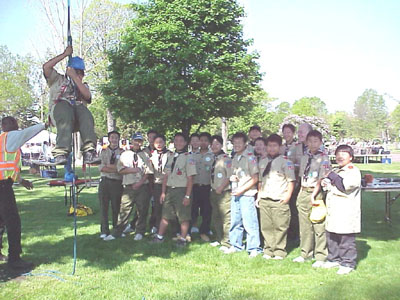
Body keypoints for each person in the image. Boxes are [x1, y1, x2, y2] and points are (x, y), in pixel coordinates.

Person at [0, 116, 46, 271]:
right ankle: (14, 259)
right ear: (11, 125)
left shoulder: (2, 140)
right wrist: (45, 124)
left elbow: (6, 167)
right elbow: (27, 133)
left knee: (1, 222)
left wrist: (21, 180)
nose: (18, 126)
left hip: (4, 184)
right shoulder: (11, 136)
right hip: (3, 188)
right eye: (15, 123)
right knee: (13, 222)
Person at [43, 45, 100, 165]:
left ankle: (89, 151)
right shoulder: (58, 80)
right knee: (64, 106)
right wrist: (64, 54)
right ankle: (61, 152)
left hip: (77, 119)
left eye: (81, 73)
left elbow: (87, 96)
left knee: (85, 112)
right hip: (60, 116)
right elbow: (46, 67)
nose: (80, 75)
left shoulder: (82, 85)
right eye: (77, 72)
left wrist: (75, 77)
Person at [104, 133, 153, 241]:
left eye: (140, 141)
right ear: (132, 141)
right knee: (124, 209)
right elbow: (120, 170)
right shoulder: (125, 154)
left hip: (142, 186)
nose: (137, 143)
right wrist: (132, 170)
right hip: (128, 186)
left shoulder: (146, 155)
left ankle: (140, 231)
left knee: (142, 209)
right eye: (136, 140)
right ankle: (117, 231)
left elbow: (148, 172)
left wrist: (140, 183)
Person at [321, 145, 361, 275]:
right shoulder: (337, 170)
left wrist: (331, 175)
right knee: (332, 235)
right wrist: (326, 182)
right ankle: (334, 259)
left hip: (346, 210)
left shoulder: (352, 171)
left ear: (351, 157)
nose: (340, 156)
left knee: (345, 238)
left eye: (344, 153)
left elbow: (344, 186)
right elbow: (330, 185)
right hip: (334, 209)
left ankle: (348, 262)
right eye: (338, 153)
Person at [151, 133, 197, 247]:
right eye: (176, 140)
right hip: (170, 190)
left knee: (183, 216)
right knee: (165, 215)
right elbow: (166, 175)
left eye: (181, 141)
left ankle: (182, 239)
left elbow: (190, 178)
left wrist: (187, 196)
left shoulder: (188, 157)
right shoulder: (171, 156)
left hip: (182, 190)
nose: (178, 143)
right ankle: (159, 237)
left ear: (186, 143)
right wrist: (163, 192)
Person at [293, 130, 330, 267]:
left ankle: (320, 255)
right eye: (310, 141)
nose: (313, 144)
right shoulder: (304, 157)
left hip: (316, 192)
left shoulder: (323, 158)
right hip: (303, 191)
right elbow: (302, 175)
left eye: (316, 141)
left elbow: (321, 178)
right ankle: (305, 253)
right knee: (304, 225)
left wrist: (314, 195)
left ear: (320, 142)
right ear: (306, 142)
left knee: (318, 224)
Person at [256, 134, 296, 260]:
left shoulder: (285, 162)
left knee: (280, 226)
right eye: (269, 146)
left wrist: (288, 196)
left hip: (279, 198)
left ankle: (279, 251)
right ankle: (268, 249)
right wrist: (259, 196)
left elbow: (291, 181)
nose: (271, 148)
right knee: (266, 226)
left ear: (280, 147)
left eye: (274, 146)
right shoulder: (263, 162)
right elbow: (261, 181)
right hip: (265, 198)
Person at [225, 132, 260, 257]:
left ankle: (254, 247)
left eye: (240, 143)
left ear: (245, 143)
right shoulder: (234, 157)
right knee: (235, 220)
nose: (237, 145)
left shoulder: (250, 157)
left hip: (247, 194)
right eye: (235, 143)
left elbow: (255, 178)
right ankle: (235, 245)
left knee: (249, 222)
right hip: (236, 193)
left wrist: (242, 190)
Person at [98, 131, 124, 239]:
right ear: (109, 139)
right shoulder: (103, 151)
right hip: (105, 181)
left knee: (116, 207)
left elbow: (121, 168)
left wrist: (110, 167)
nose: (114, 140)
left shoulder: (123, 152)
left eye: (116, 138)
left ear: (119, 139)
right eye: (112, 137)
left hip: (117, 182)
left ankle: (116, 229)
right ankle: (104, 230)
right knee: (103, 207)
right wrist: (115, 168)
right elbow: (102, 167)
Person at [209, 135, 232, 251]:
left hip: (224, 192)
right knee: (216, 216)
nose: (214, 146)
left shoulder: (226, 159)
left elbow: (229, 176)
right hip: (214, 191)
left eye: (217, 144)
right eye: (212, 144)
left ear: (221, 145)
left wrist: (221, 187)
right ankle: (219, 238)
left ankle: (226, 242)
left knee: (226, 217)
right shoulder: (214, 158)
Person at [191, 132, 214, 241]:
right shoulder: (193, 155)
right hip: (195, 186)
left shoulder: (212, 155)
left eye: (206, 140)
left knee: (206, 209)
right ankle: (194, 226)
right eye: (201, 140)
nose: (203, 142)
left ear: (209, 143)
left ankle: (205, 229)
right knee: (193, 207)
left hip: (207, 186)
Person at [148, 134, 171, 234]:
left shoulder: (171, 154)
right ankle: (157, 226)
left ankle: (173, 227)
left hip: (168, 183)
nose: (159, 144)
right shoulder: (152, 155)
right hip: (157, 183)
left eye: (161, 142)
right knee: (157, 206)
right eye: (156, 142)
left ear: (165, 143)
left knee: (169, 206)